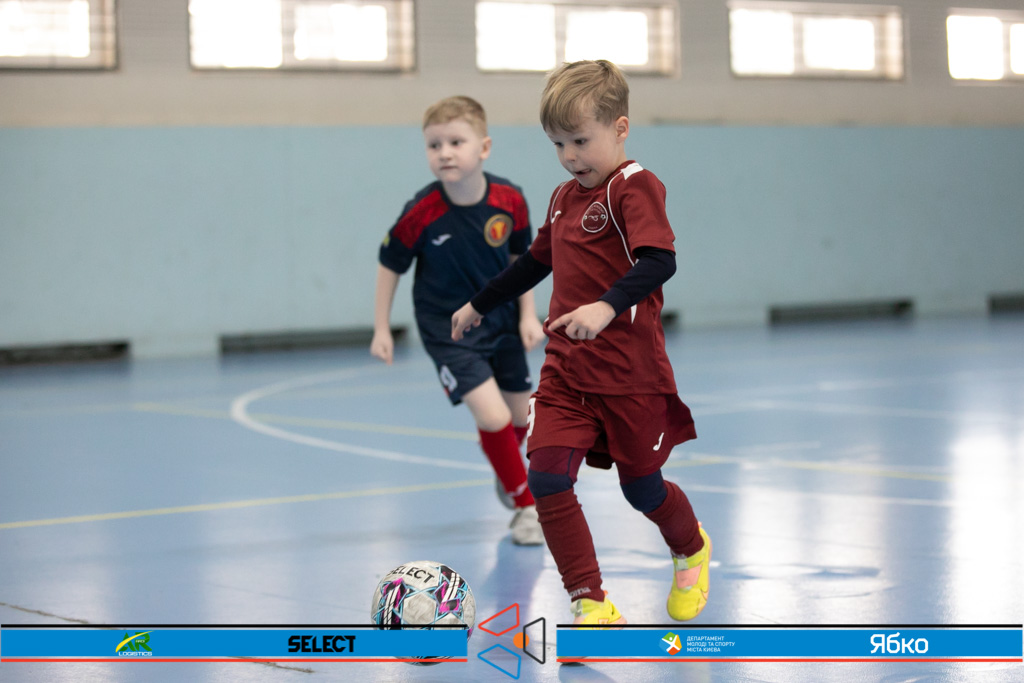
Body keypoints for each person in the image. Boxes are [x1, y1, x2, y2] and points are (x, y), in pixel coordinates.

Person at [451, 61, 711, 624]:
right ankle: (589, 599)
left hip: (630, 375)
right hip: (567, 373)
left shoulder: (634, 186)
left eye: (580, 141)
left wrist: (605, 305)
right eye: (558, 144)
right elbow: (533, 263)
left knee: (642, 490)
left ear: (620, 128)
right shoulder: (563, 197)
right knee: (546, 477)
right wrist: (480, 303)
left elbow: (659, 260)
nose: (570, 156)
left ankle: (691, 547)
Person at [372, 95, 547, 546]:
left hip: (502, 319)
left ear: (484, 148)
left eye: (455, 142)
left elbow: (522, 260)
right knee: (492, 416)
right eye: (434, 145)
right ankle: (526, 507)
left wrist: (528, 314)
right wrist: (381, 328)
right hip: (447, 329)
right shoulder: (421, 211)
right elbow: (390, 264)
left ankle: (503, 462)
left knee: (519, 417)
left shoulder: (510, 199)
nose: (444, 153)